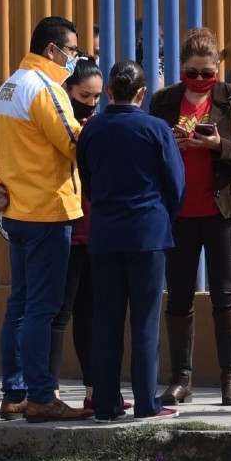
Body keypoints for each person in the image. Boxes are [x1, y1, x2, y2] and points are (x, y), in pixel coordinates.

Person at [0, 16, 90, 423]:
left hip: (17, 211)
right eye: (72, 51)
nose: (74, 59)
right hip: (48, 210)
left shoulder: (11, 85)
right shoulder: (45, 88)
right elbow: (73, 141)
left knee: (21, 305)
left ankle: (15, 393)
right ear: (53, 50)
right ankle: (42, 397)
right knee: (41, 309)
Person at [149, 28, 231, 407]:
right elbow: (148, 151)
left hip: (221, 208)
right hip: (178, 211)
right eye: (191, 73)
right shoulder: (163, 101)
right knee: (178, 297)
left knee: (226, 294)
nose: (198, 80)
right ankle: (182, 379)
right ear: (180, 69)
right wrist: (168, 144)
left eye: (206, 73)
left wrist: (216, 145)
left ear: (218, 69)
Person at [76, 60, 185, 422]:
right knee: (145, 322)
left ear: (108, 91)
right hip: (148, 234)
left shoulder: (91, 129)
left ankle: (106, 404)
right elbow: (175, 185)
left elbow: (87, 181)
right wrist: (159, 217)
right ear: (142, 93)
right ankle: (146, 403)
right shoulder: (156, 129)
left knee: (106, 322)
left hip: (105, 234)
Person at [48, 57, 104, 409]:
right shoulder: (55, 124)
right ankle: (48, 391)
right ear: (68, 90)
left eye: (98, 97)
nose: (92, 104)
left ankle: (93, 391)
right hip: (63, 226)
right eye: (85, 95)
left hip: (95, 229)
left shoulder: (98, 125)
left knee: (91, 316)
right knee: (59, 313)